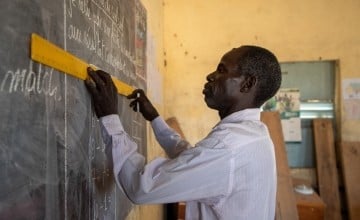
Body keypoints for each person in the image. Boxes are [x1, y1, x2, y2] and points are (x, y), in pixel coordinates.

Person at [85, 45, 281, 220]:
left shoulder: (228, 147)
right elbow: (193, 160)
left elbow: (141, 187)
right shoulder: (256, 135)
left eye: (222, 70)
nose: (210, 76)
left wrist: (110, 118)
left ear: (247, 84)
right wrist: (155, 119)